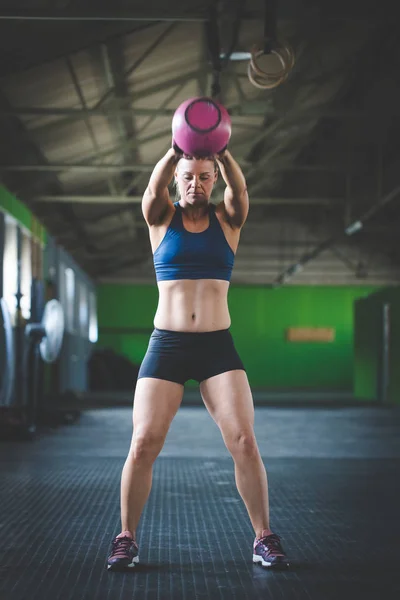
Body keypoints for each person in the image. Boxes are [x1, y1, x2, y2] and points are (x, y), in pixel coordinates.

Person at [107, 141, 289, 571]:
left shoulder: (227, 221)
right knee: (143, 442)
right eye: (188, 176)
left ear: (215, 179)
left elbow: (240, 194)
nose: (195, 183)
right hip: (166, 345)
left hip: (216, 346)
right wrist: (176, 152)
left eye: (205, 176)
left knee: (244, 441)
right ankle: (126, 537)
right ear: (177, 177)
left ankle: (264, 537)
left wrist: (222, 155)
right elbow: (151, 192)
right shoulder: (160, 218)